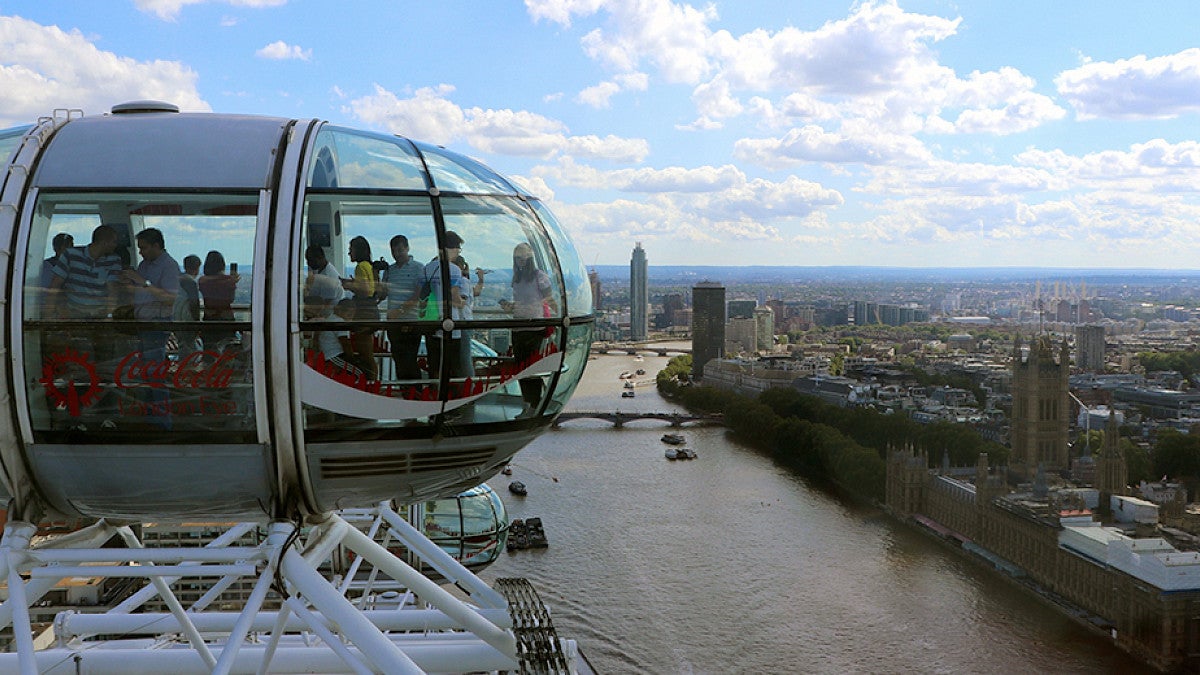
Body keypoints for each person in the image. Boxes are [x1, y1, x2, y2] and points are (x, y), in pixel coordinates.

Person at [120, 228, 180, 427]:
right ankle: (150, 417)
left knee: (154, 374)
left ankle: (162, 422)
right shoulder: (146, 264)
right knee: (147, 374)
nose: (141, 252)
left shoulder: (169, 266)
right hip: (144, 324)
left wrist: (142, 282)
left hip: (156, 324)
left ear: (156, 246)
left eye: (144, 248)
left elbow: (170, 299)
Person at [501, 242, 558, 413]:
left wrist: (559, 313)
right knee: (521, 368)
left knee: (531, 368)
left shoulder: (539, 276)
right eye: (517, 258)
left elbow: (549, 298)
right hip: (519, 325)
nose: (520, 261)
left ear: (530, 258)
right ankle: (528, 404)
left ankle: (534, 404)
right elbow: (524, 301)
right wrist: (511, 306)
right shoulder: (516, 278)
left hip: (535, 327)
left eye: (524, 257)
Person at [48, 224, 122, 320]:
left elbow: (113, 291)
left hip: (99, 316)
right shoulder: (70, 255)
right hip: (72, 316)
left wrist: (109, 317)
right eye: (114, 242)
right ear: (105, 242)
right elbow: (55, 286)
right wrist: (48, 317)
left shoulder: (114, 260)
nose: (116, 245)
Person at [422, 231, 465, 379]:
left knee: (434, 364)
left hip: (431, 320)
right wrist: (462, 302)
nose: (458, 252)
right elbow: (455, 298)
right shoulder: (454, 269)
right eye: (457, 249)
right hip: (450, 323)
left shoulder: (428, 267)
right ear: (450, 248)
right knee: (452, 366)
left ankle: (433, 394)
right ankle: (452, 398)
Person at [381, 234, 425, 380]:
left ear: (407, 248)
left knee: (409, 360)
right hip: (393, 322)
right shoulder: (390, 270)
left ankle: (415, 394)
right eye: (393, 251)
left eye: (400, 250)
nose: (397, 254)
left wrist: (399, 311)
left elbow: (418, 295)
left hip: (410, 320)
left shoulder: (418, 268)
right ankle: (405, 392)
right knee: (398, 359)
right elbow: (383, 293)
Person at [342, 235, 378, 379]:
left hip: (364, 312)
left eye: (351, 249)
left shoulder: (360, 266)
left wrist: (349, 286)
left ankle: (372, 383)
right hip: (370, 312)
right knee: (367, 353)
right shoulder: (368, 265)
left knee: (366, 353)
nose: (349, 253)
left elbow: (366, 290)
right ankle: (373, 382)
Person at [303, 294, 362, 381]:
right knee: (358, 374)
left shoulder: (331, 318)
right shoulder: (339, 322)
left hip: (328, 354)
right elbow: (345, 343)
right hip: (333, 356)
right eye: (348, 313)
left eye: (352, 314)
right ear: (339, 310)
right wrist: (352, 359)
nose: (350, 316)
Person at [198, 250, 240, 350]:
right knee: (227, 351)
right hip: (226, 319)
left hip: (209, 318)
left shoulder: (203, 281)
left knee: (209, 351)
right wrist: (231, 281)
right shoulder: (227, 281)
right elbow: (230, 299)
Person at [173, 254, 202, 359]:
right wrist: (197, 322)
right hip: (187, 319)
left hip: (176, 317)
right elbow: (194, 303)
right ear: (197, 268)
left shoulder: (178, 280)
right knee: (189, 348)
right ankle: (188, 369)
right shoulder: (190, 282)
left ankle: (184, 367)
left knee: (183, 346)